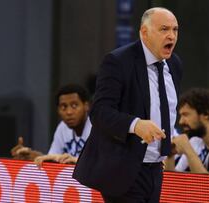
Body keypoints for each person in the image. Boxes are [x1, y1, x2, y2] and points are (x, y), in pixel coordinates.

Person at [72, 7, 182, 203]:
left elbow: (167, 108)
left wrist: (163, 148)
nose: (171, 36)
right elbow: (99, 112)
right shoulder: (118, 61)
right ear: (144, 32)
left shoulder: (174, 64)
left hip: (156, 169)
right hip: (123, 168)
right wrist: (135, 124)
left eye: (175, 30)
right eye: (164, 29)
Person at [11, 84, 91, 166]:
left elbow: (102, 166)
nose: (69, 112)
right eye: (63, 107)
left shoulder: (97, 127)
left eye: (74, 106)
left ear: (86, 106)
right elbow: (52, 159)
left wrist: (76, 161)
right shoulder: (62, 127)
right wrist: (30, 156)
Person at [165, 88, 209, 174]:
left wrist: (188, 149)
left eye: (186, 115)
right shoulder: (196, 141)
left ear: (206, 113)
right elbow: (174, 181)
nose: (181, 121)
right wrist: (169, 155)